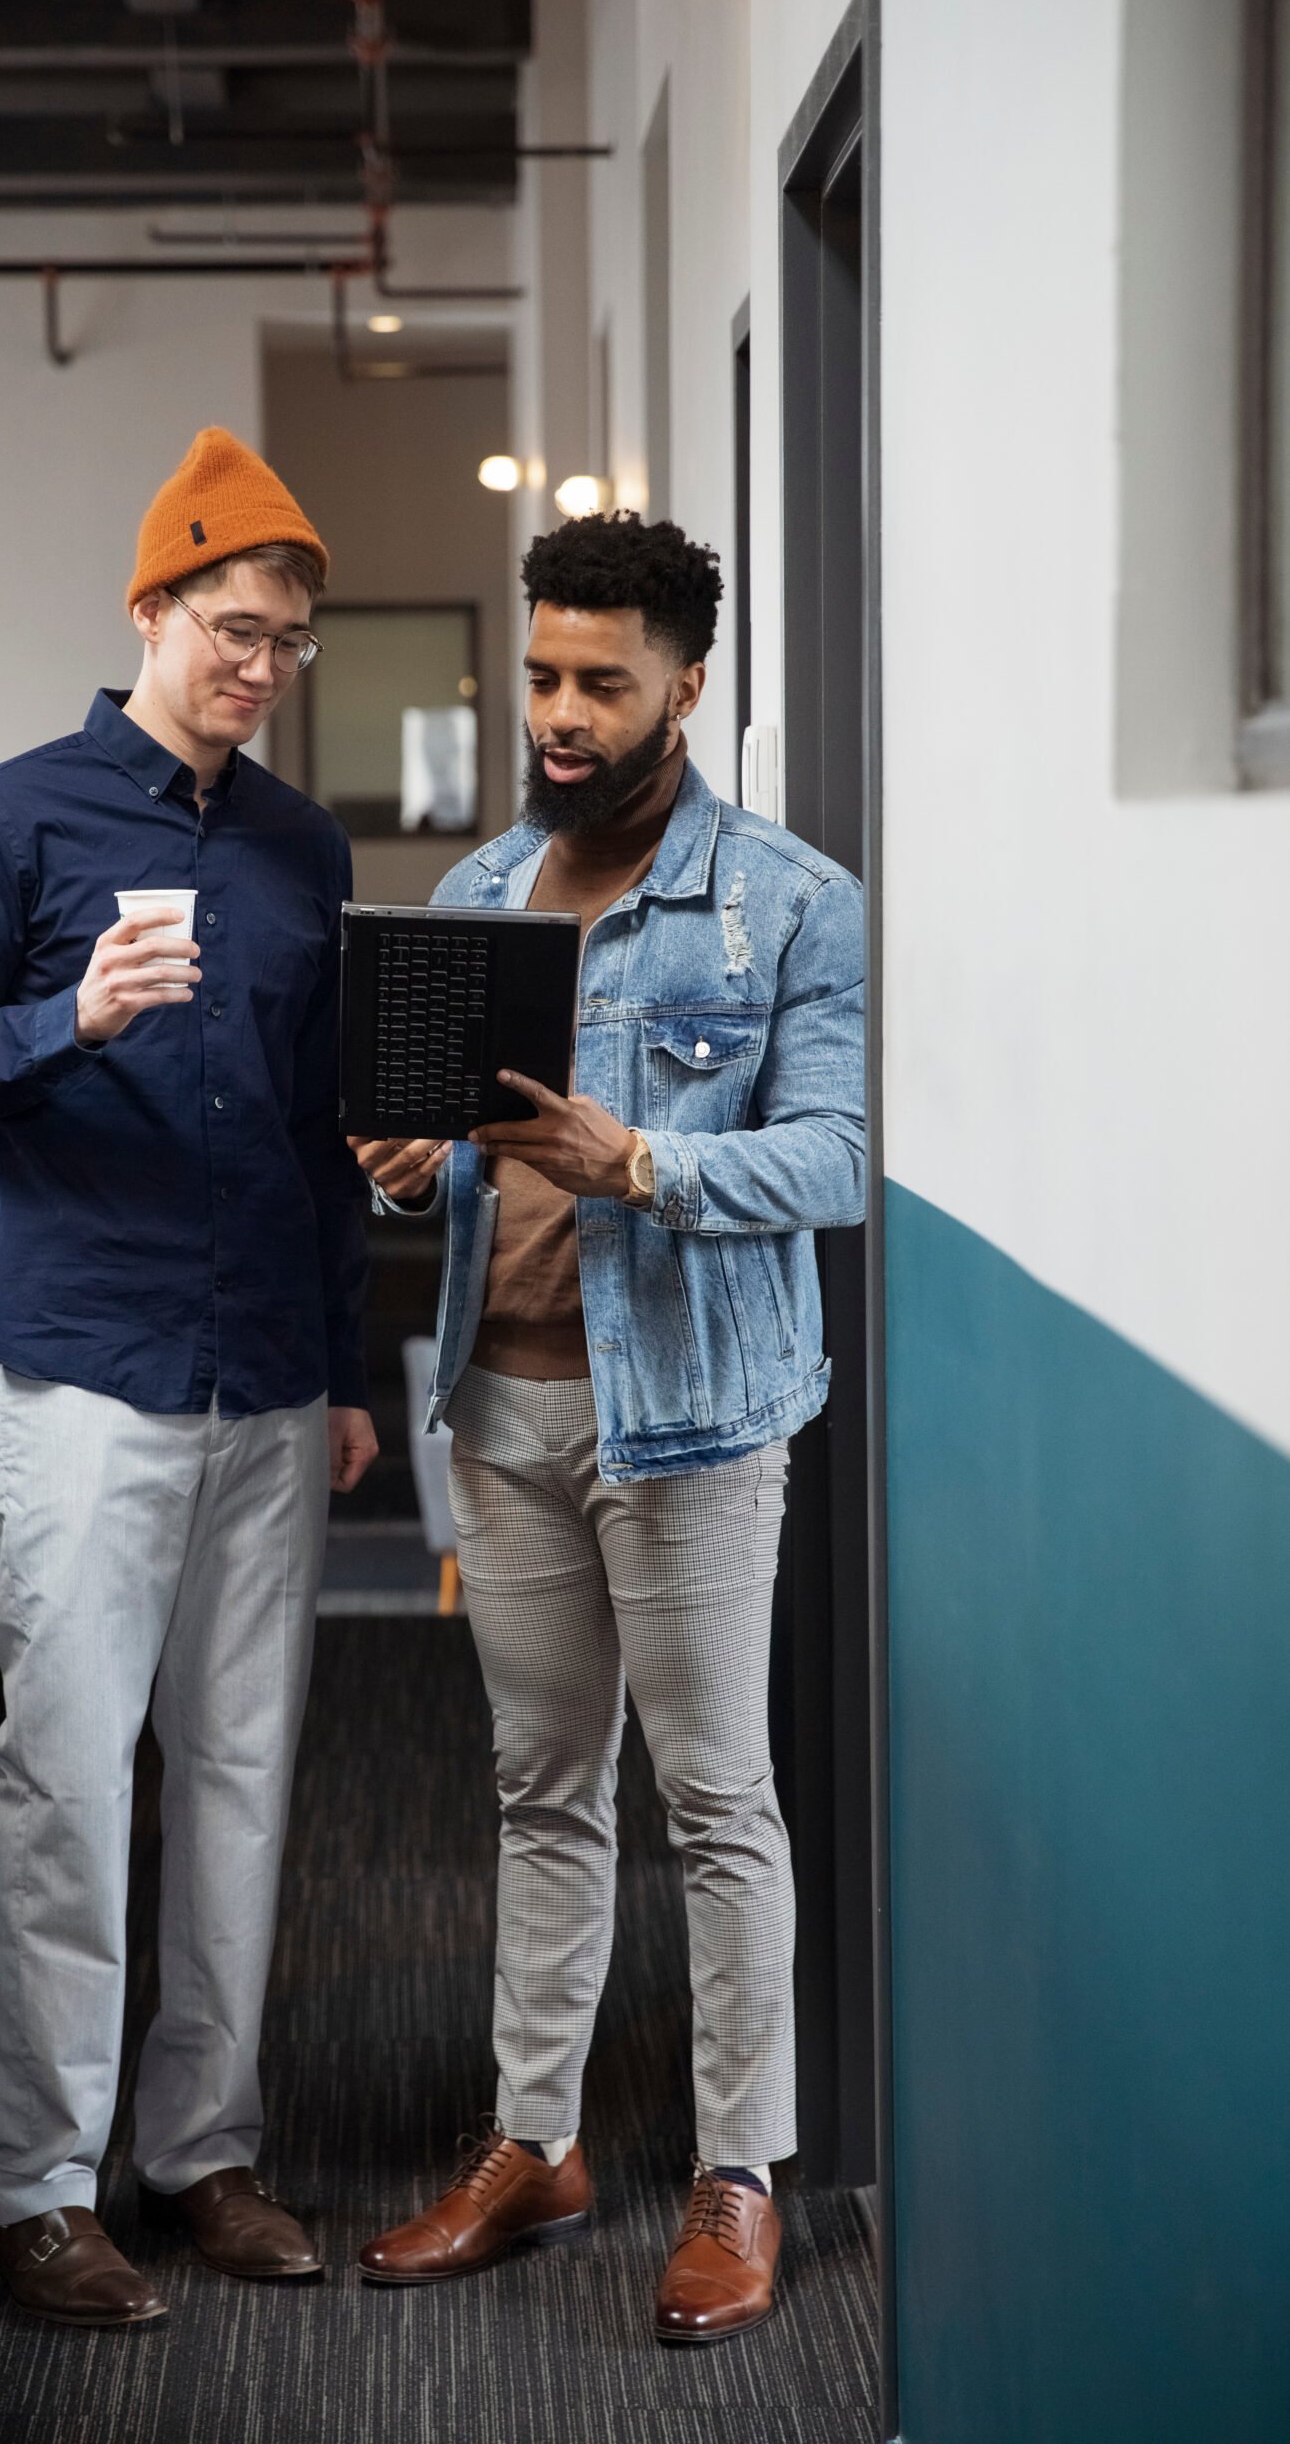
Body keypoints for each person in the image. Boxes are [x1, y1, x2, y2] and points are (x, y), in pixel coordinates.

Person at [0, 427, 376, 2329]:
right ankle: (31, 2186)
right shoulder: (10, 821)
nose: (259, 668)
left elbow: (329, 1132)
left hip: (265, 1382)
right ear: (151, 609)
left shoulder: (297, 847)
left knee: (242, 1782)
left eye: (288, 646)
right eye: (236, 630)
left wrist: (343, 1371)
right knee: (70, 1783)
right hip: (87, 1379)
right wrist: (67, 1017)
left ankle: (206, 2155)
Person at [350, 511, 865, 2344]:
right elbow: (443, 1164)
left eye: (601, 684)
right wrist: (410, 1170)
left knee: (718, 1801)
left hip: (697, 1426)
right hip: (498, 1409)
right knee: (537, 1788)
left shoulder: (790, 901)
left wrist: (639, 1160)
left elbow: (838, 1160)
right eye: (546, 675)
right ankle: (538, 2141)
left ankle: (742, 2173)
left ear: (687, 687)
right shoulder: (485, 887)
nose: (560, 714)